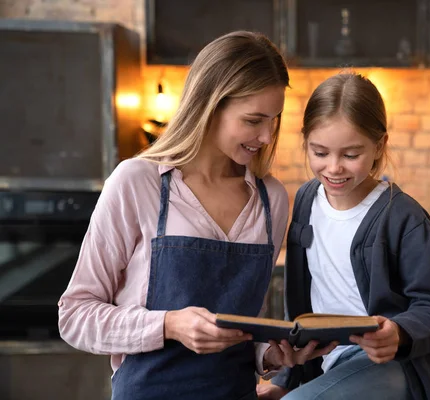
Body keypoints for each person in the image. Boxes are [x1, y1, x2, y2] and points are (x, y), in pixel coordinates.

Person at [58, 31, 295, 400]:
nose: (266, 136)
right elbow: (75, 317)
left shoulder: (271, 200)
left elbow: (250, 323)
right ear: (209, 105)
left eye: (274, 120)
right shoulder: (138, 183)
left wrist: (271, 353)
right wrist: (168, 324)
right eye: (253, 120)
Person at [257, 73, 430, 400]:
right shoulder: (305, 200)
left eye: (350, 154)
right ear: (305, 143)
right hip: (330, 364)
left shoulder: (403, 216)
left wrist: (399, 333)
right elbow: (302, 303)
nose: (333, 168)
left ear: (379, 146)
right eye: (320, 152)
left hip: (390, 364)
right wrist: (285, 381)